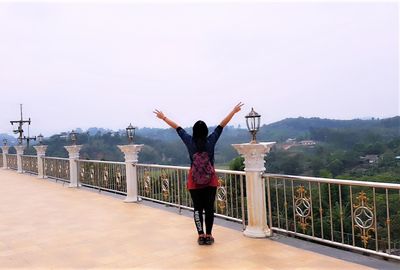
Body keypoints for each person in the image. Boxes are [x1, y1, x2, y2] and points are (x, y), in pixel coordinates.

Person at [153, 102, 244, 245]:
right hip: (210, 180)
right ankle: (209, 235)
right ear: (206, 131)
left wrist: (163, 117)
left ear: (194, 131)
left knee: (197, 208)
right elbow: (221, 125)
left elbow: (177, 128)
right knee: (209, 208)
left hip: (194, 181)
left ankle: (200, 235)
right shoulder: (211, 141)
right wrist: (233, 111)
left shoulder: (190, 141)